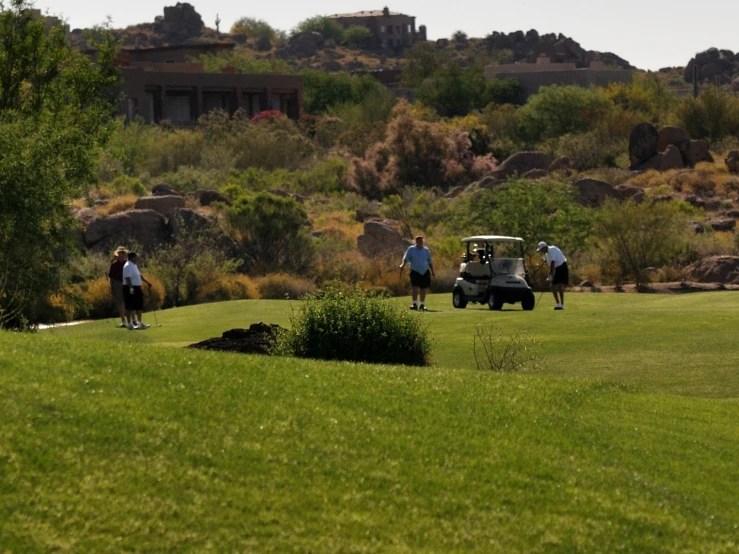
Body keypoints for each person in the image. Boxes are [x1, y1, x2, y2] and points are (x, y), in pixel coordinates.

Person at [399, 236, 435, 311]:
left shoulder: (426, 250)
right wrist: (402, 265)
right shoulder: (411, 249)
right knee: (415, 287)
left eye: (422, 241)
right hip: (415, 271)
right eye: (419, 241)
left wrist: (432, 271)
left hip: (425, 271)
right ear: (416, 241)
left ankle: (422, 304)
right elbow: (406, 258)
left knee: (423, 288)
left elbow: (430, 261)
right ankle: (414, 303)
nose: (421, 242)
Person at [122, 252, 153, 330]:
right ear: (132, 257)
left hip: (137, 287)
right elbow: (127, 278)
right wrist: (131, 288)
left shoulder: (134, 265)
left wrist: (147, 282)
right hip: (130, 287)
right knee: (130, 306)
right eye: (136, 257)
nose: (137, 258)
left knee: (139, 305)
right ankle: (129, 324)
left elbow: (139, 276)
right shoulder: (128, 265)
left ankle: (140, 323)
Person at [537, 241, 568, 311]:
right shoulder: (547, 254)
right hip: (557, 268)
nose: (541, 251)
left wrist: (550, 275)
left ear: (545, 247)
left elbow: (553, 264)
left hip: (562, 267)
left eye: (541, 250)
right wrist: (550, 274)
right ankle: (558, 304)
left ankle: (561, 305)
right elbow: (550, 264)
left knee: (558, 286)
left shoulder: (553, 250)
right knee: (553, 287)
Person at [108, 246, 128, 328]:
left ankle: (131, 320)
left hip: (126, 283)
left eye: (123, 253)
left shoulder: (127, 263)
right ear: (118, 254)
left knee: (128, 302)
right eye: (120, 253)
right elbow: (111, 277)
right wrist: (111, 287)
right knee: (120, 302)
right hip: (117, 283)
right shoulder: (114, 265)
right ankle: (123, 320)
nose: (121, 254)